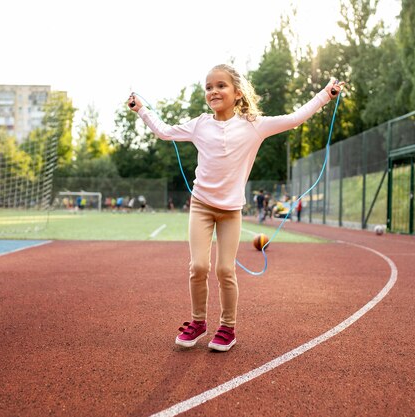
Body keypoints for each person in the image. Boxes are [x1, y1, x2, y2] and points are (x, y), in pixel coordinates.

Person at [128, 64, 343, 352]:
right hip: (201, 206)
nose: (213, 91)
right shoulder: (200, 124)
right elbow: (165, 132)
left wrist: (325, 96)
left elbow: (294, 119)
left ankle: (227, 328)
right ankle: (198, 322)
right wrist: (141, 108)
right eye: (208, 87)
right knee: (198, 267)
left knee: (225, 270)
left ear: (237, 92)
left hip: (230, 212)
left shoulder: (254, 125)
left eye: (220, 86)